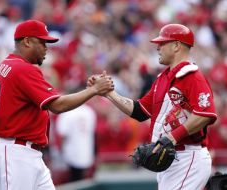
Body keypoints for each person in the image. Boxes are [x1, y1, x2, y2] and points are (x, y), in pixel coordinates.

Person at [0, 20, 114, 190]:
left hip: (23, 151)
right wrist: (94, 90)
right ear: (27, 41)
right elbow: (57, 106)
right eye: (42, 42)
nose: (46, 48)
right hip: (15, 153)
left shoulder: (4, 66)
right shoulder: (23, 68)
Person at [89, 24, 217, 190]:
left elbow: (205, 114)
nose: (158, 47)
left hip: (188, 156)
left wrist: (172, 137)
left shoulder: (192, 76)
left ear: (177, 45)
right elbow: (140, 111)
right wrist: (109, 93)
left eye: (163, 43)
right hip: (171, 159)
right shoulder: (162, 78)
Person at [56, 102, 97, 182]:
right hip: (86, 152)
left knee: (73, 181)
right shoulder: (89, 111)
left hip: (71, 153)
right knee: (83, 180)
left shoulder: (67, 111)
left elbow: (63, 135)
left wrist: (61, 151)